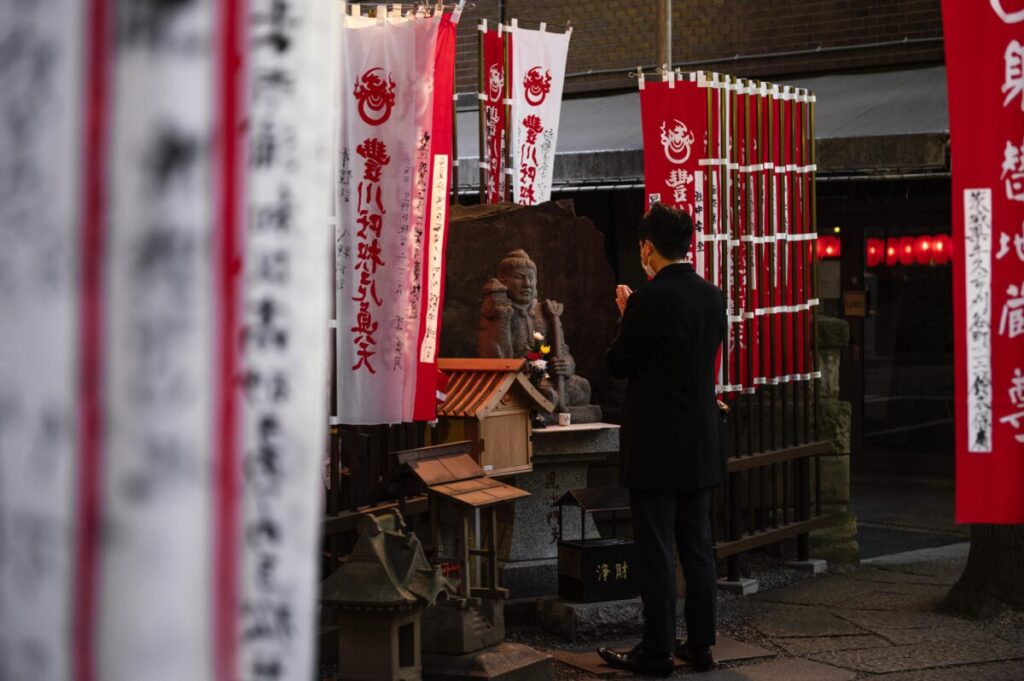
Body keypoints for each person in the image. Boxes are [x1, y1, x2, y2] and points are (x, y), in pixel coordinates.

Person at [597, 204, 726, 676]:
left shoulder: (647, 301)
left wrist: (626, 313)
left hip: (654, 443)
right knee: (697, 547)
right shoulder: (713, 297)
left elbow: (619, 364)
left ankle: (655, 650)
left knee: (655, 548)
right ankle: (702, 646)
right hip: (700, 439)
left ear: (648, 247)